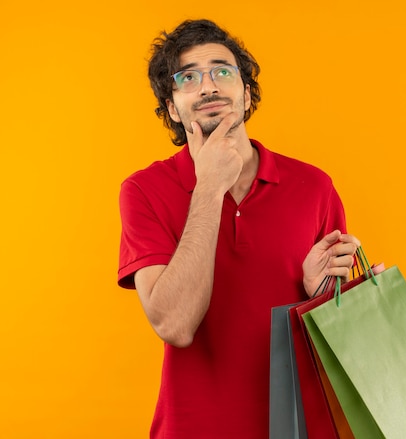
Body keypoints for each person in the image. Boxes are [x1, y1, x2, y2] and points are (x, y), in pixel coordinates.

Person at [117, 18, 359, 438]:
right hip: (195, 427)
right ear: (172, 107)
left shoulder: (314, 185)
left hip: (303, 426)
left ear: (246, 95)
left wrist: (316, 292)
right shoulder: (144, 190)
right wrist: (209, 185)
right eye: (188, 77)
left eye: (222, 71)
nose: (208, 85)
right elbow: (174, 324)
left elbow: (341, 338)